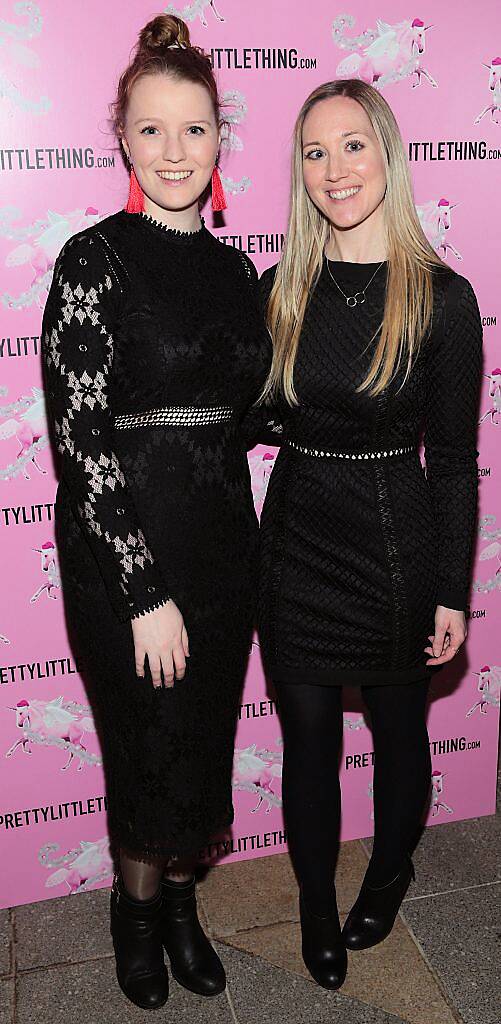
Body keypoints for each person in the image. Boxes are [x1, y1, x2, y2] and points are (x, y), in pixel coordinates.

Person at [41, 14, 269, 1010]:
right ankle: (135, 915)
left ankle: (182, 908)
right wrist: (140, 590)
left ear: (221, 136)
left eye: (196, 129)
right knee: (146, 746)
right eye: (153, 130)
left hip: (225, 555)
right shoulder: (92, 262)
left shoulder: (236, 272)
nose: (176, 152)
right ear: (123, 139)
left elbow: (253, 413)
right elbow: (81, 443)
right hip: (123, 560)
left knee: (205, 738)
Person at [257, 79, 482, 990]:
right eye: (315, 150)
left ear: (385, 152)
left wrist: (449, 591)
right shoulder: (281, 287)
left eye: (352, 145)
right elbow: (250, 415)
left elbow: (457, 460)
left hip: (397, 547)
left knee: (397, 735)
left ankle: (388, 874)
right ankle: (314, 902)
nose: (334, 168)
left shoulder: (441, 297)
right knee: (307, 742)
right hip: (299, 543)